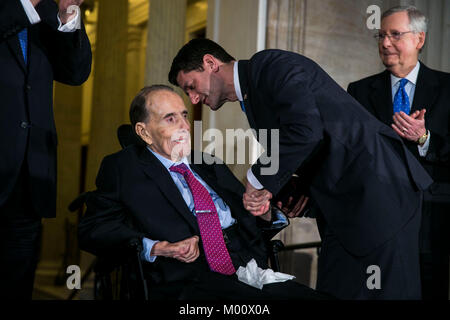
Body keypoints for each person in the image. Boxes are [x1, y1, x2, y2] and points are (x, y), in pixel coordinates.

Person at [168, 38, 434, 299]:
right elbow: (308, 143)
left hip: (381, 193)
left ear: (210, 63)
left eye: (191, 86)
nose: (192, 99)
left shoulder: (271, 65)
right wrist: (296, 189)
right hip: (344, 208)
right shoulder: (251, 93)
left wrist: (256, 178)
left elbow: (305, 131)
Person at [78, 85, 331, 300]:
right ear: (144, 132)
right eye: (170, 118)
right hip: (189, 277)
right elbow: (92, 230)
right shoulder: (123, 168)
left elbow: (251, 219)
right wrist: (156, 247)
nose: (184, 126)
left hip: (248, 267)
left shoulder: (209, 164)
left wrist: (265, 212)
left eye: (184, 115)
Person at [347, 5, 450, 300]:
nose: (385, 43)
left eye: (395, 34)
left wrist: (425, 138)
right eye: (380, 35)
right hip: (376, 224)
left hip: (430, 225)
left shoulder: (447, 88)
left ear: (420, 39)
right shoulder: (358, 92)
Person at [0, 0, 91, 299]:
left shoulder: (48, 10)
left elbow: (74, 72)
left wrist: (66, 13)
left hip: (30, 166)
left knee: (19, 274)